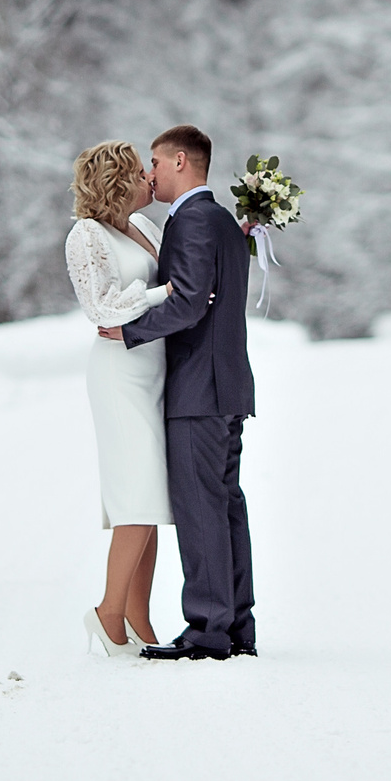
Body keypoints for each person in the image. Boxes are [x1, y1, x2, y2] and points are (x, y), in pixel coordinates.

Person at [102, 124, 256, 661]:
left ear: (182, 162)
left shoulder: (190, 221)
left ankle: (207, 631)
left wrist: (130, 331)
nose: (150, 172)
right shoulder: (222, 224)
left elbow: (190, 303)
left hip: (198, 389)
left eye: (156, 161)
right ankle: (237, 627)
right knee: (227, 505)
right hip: (228, 384)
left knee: (201, 508)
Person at [63, 141, 177, 657]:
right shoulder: (86, 236)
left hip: (153, 369)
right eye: (137, 173)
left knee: (148, 500)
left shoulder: (147, 228)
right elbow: (102, 310)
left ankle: (139, 621)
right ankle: (108, 615)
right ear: (113, 183)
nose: (149, 179)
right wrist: (160, 295)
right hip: (118, 374)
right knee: (137, 493)